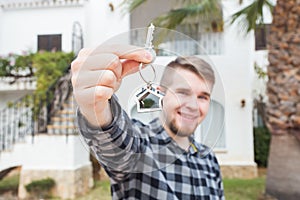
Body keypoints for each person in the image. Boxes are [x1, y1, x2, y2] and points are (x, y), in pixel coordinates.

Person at [71, 44, 224, 199]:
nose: (193, 105)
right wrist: (97, 108)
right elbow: (117, 144)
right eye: (183, 92)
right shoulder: (140, 142)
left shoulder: (209, 159)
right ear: (161, 93)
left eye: (203, 97)